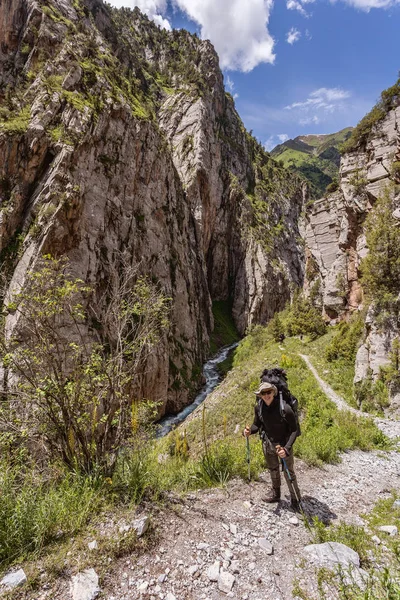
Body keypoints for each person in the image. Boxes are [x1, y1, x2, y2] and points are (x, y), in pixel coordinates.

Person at [243, 381, 301, 510]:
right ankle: (276, 494)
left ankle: (296, 499)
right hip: (268, 442)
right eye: (263, 393)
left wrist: (287, 448)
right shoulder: (259, 407)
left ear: (273, 392)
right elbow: (256, 425)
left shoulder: (285, 408)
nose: (266, 395)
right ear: (260, 395)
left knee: (288, 472)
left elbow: (294, 430)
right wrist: (248, 431)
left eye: (268, 392)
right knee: (273, 469)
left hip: (284, 445)